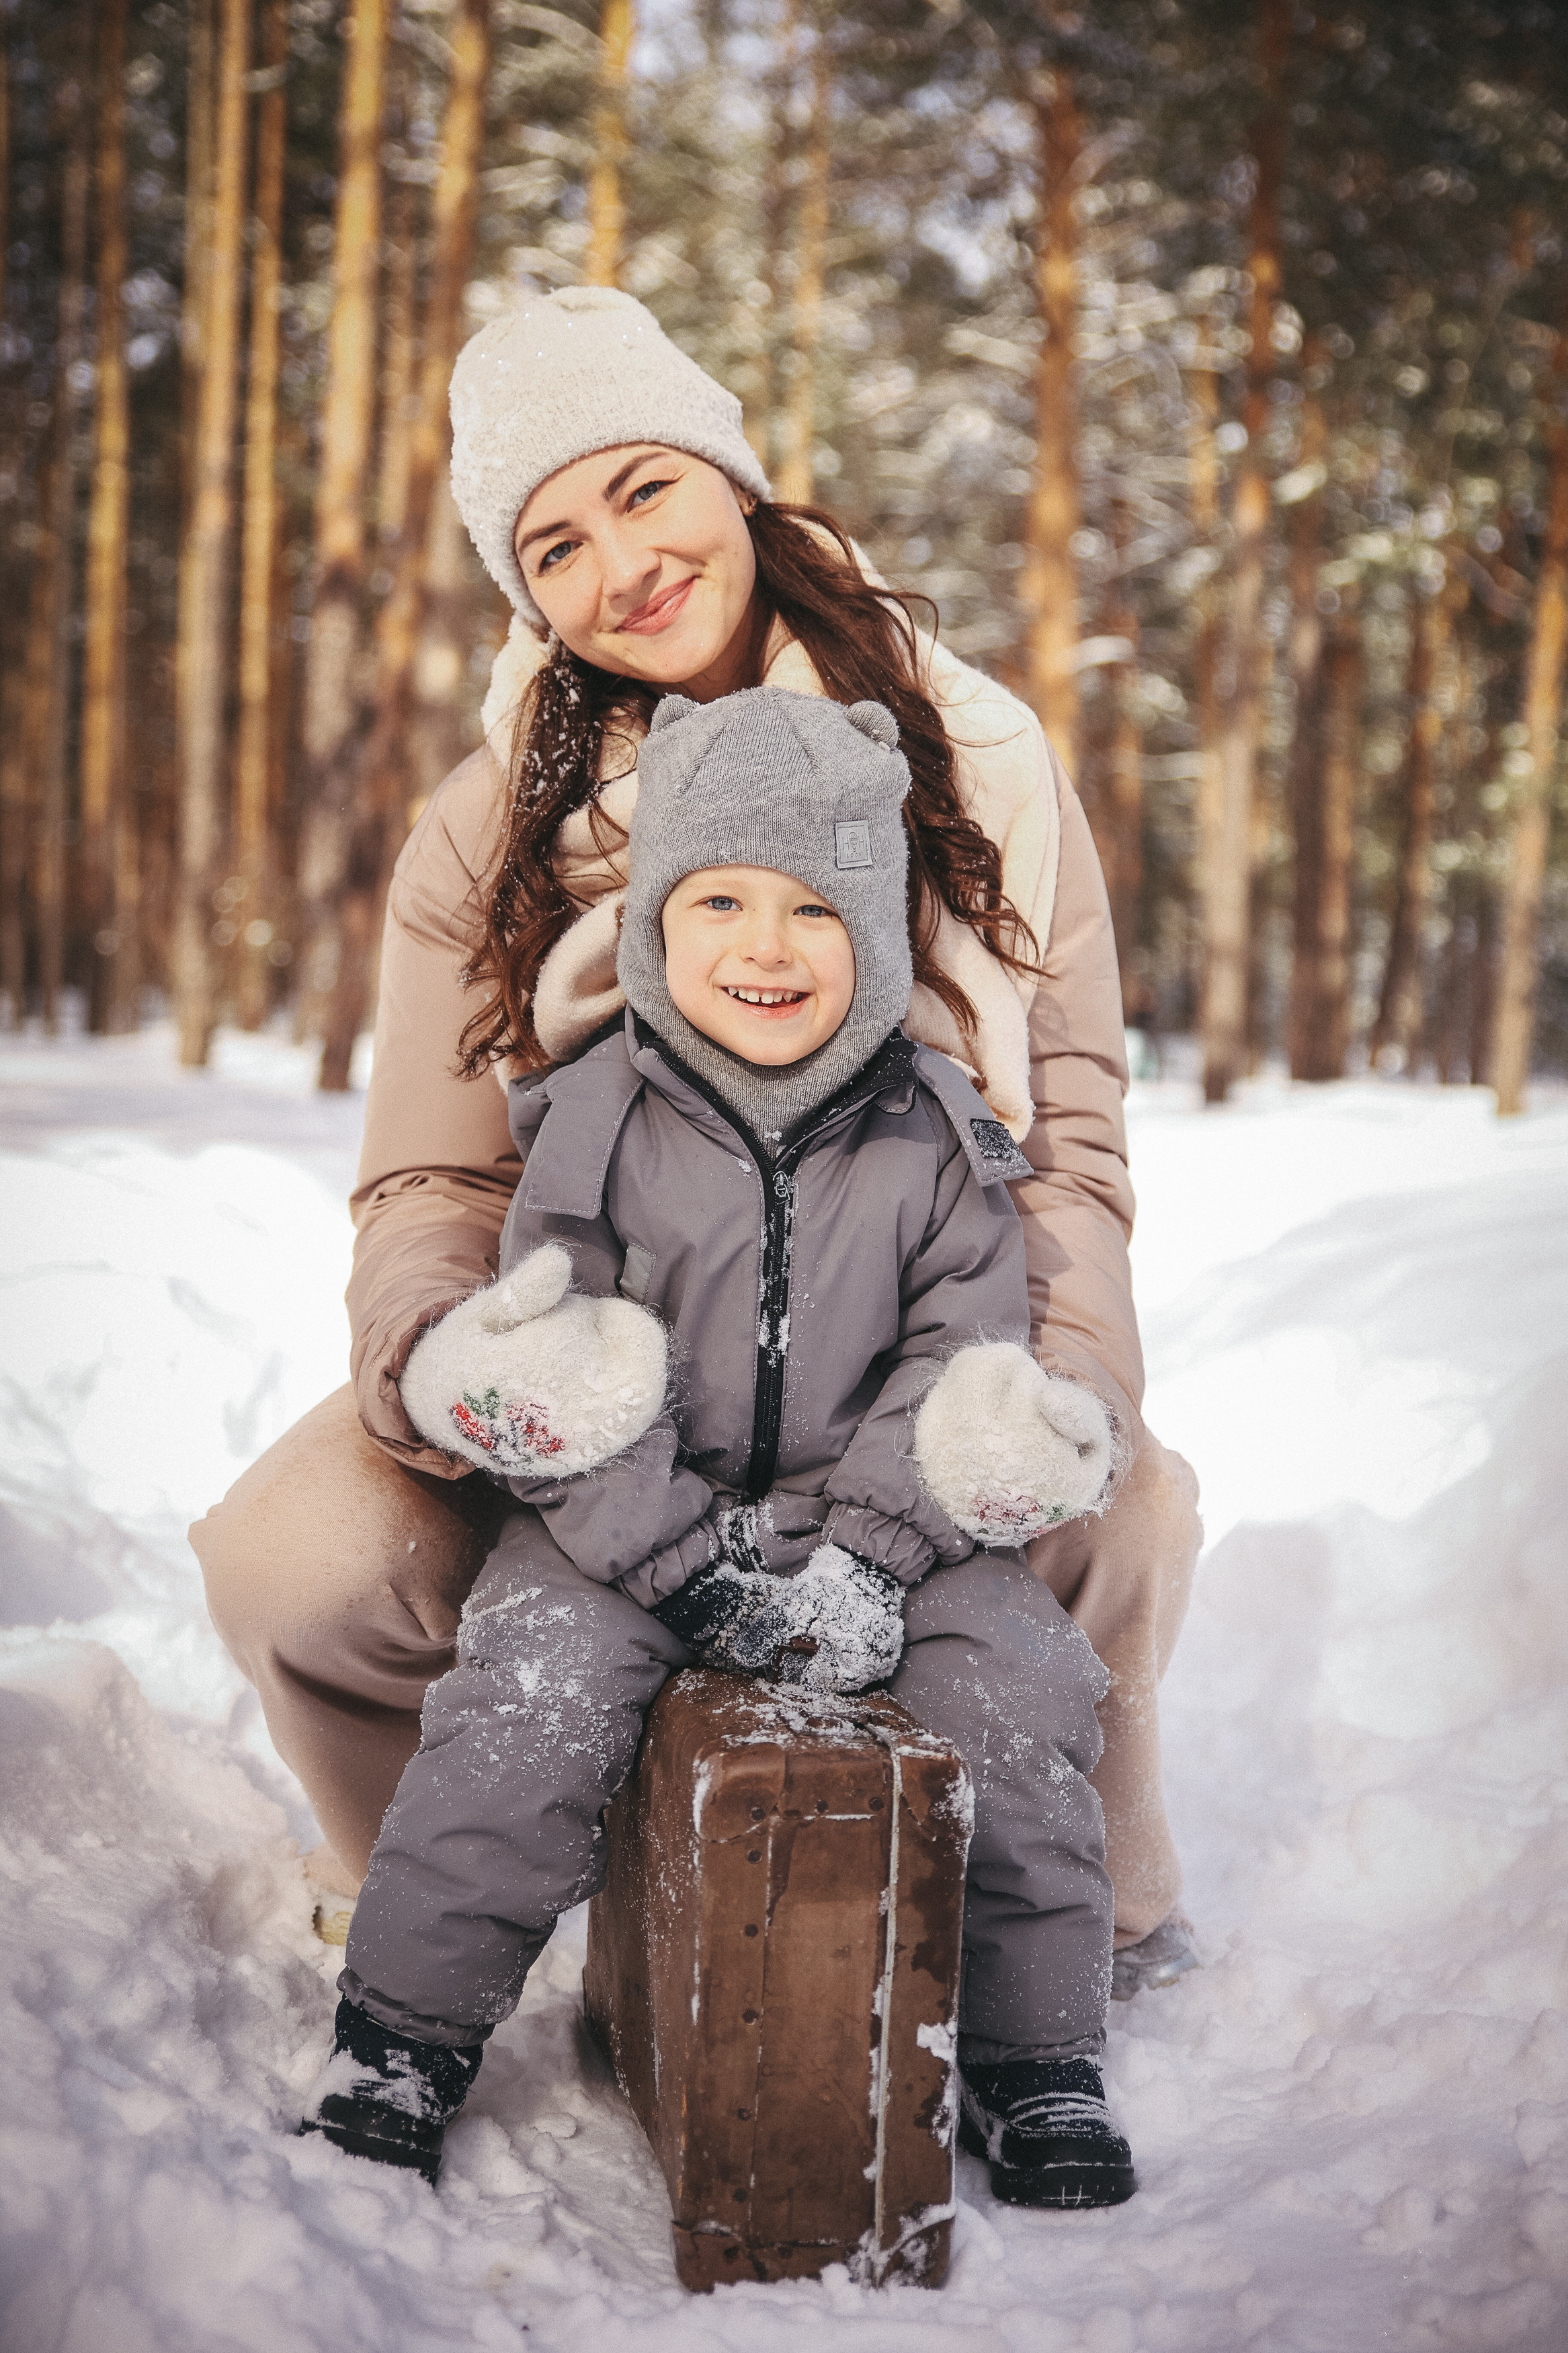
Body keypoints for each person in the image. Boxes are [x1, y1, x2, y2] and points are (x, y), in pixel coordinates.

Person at [192, 284, 1201, 2009]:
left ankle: (1075, 1910)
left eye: (644, 489)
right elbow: (432, 1175)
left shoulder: (988, 762)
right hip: (610, 1359)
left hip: (898, 1343)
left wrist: (1048, 1390)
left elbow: (1069, 1141)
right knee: (291, 1559)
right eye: (555, 544)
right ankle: (455, 1868)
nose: (622, 567)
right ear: (531, 596)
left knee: (1125, 1510)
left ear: (731, 475)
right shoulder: (489, 826)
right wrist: (456, 1355)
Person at [301, 686, 1136, 2211]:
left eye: (816, 909)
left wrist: (879, 1560)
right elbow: (562, 1356)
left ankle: (1038, 2056)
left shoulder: (933, 1127)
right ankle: (403, 2030)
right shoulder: (597, 1114)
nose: (766, 947)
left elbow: (966, 1351)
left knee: (1012, 1688)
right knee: (526, 1705)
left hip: (876, 1518)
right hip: (628, 1519)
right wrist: (677, 1566)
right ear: (656, 926)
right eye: (723, 901)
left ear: (877, 935)